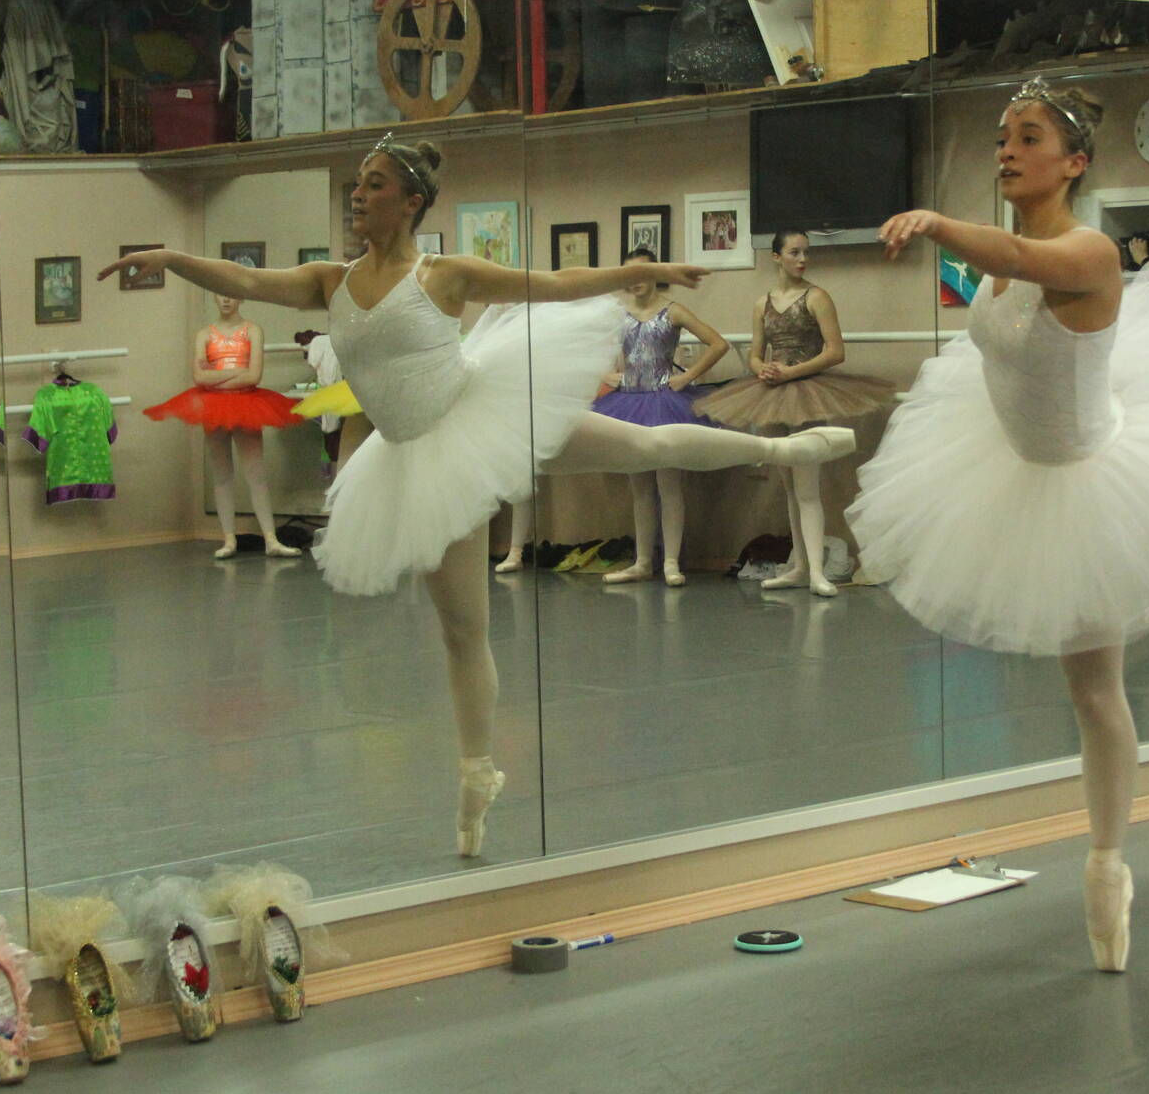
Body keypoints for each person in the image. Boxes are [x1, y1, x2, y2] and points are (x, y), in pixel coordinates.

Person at [99, 136, 854, 858]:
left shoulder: (443, 275)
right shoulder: (329, 280)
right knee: (464, 633)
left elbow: (549, 285)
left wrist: (636, 270)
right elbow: (245, 282)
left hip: (483, 413)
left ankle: (782, 449)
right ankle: (476, 776)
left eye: (373, 185)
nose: (357, 196)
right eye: (356, 185)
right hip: (420, 460)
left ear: (411, 202)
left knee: (645, 446)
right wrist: (170, 258)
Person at [851, 78, 1149, 972]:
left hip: (1095, 483)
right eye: (1001, 137)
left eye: (1028, 137)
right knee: (1086, 689)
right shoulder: (1007, 255)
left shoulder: (1089, 251)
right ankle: (1106, 860)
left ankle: (1107, 864)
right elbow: (1003, 291)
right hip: (1013, 467)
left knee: (1100, 692)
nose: (1007, 150)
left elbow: (1025, 265)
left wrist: (939, 223)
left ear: (1075, 163)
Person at [696, 230, 894, 597]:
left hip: (806, 392)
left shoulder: (817, 297)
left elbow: (835, 352)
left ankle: (816, 571)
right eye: (794, 252)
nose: (802, 259)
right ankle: (799, 566)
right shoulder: (762, 303)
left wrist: (791, 372)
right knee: (787, 486)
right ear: (776, 257)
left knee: (806, 485)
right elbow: (756, 352)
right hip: (770, 393)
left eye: (806, 252)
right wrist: (762, 369)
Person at [593, 247, 730, 587]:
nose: (636, 281)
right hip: (629, 402)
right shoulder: (617, 315)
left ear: (656, 274)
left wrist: (686, 376)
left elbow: (718, 344)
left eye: (642, 272)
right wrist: (606, 374)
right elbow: (591, 347)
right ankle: (641, 561)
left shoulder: (673, 311)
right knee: (639, 485)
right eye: (629, 275)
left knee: (669, 484)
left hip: (664, 403)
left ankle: (670, 561)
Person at [142, 294, 303, 559]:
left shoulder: (252, 330)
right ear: (214, 297)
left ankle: (271, 539)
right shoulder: (204, 334)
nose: (226, 300)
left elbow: (254, 375)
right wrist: (236, 374)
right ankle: (228, 539)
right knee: (221, 474)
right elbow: (199, 377)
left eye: (231, 295)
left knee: (256, 473)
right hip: (214, 407)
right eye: (220, 295)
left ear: (240, 298)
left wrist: (215, 377)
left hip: (247, 404)